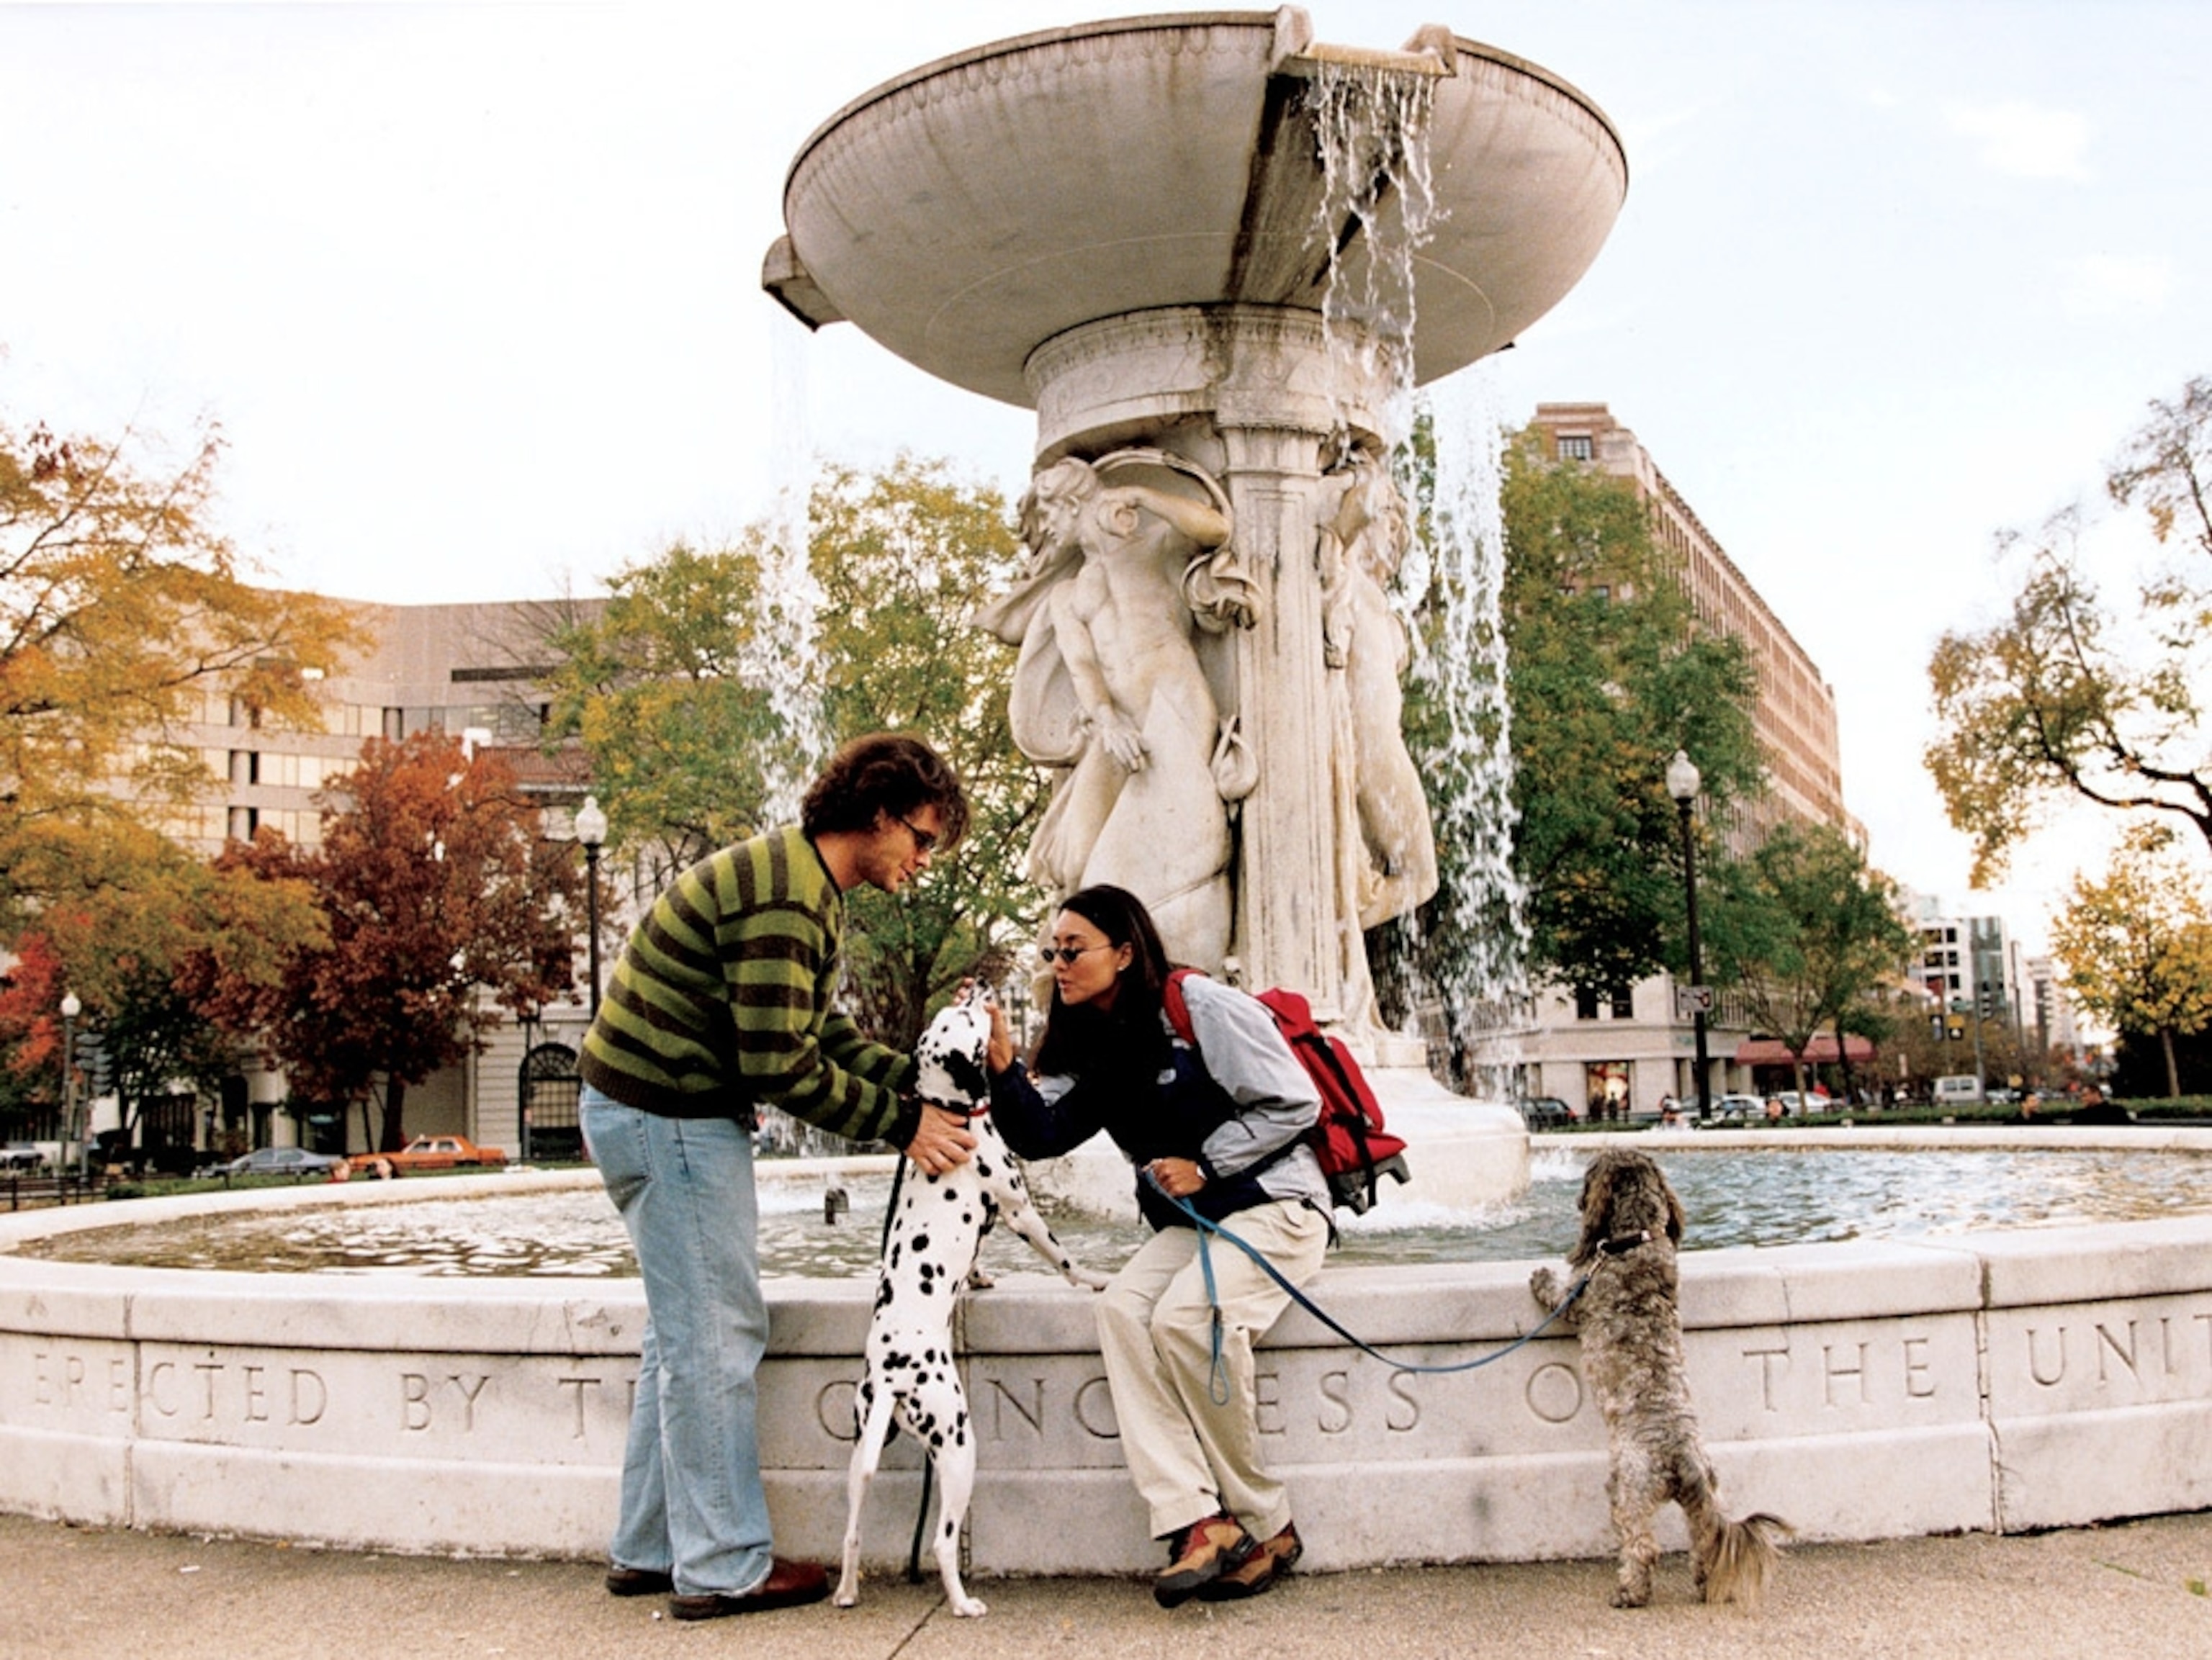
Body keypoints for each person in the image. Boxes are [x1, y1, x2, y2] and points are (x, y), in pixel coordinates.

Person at [578, 732, 977, 1622]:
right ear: (876, 815)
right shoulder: (791, 898)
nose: (923, 860)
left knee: (681, 1336)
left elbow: (812, 1032)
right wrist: (906, 1125)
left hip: (649, 1107)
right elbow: (777, 1066)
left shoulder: (802, 881)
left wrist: (904, 1078)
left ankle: (648, 1547)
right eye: (921, 838)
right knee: (716, 1336)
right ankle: (721, 1565)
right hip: (669, 1112)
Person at [982, 884, 1331, 1607]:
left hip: (1279, 1204)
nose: (1059, 962)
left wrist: (1209, 1162)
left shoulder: (1199, 1003)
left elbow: (1297, 1099)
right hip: (1198, 1222)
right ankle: (1198, 1519)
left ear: (1126, 950)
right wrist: (1004, 1067)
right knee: (1122, 1310)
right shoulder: (1095, 1039)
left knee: (1186, 1319)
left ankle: (1270, 1524)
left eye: (1073, 948)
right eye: (1053, 951)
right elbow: (1042, 1136)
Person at [974, 451, 1257, 970]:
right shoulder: (1066, 594)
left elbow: (1217, 530)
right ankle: (1095, 976)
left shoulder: (1150, 546)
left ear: (1071, 502)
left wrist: (1145, 497)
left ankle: (1183, 971)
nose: (1046, 530)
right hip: (1118, 726)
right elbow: (1084, 669)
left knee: (1162, 846)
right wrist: (1106, 718)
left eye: (1049, 515)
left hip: (1175, 707)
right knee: (1077, 858)